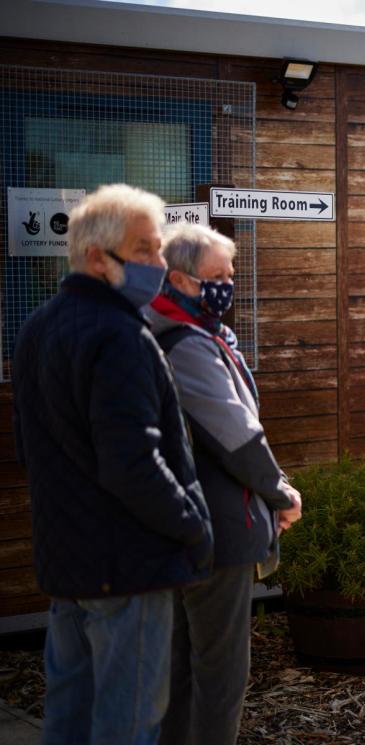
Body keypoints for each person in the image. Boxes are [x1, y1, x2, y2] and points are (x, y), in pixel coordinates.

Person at [11, 184, 212, 744]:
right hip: (129, 567)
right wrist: (194, 529)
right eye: (144, 249)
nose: (159, 263)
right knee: (127, 725)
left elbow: (30, 448)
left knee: (69, 720)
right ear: (96, 257)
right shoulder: (121, 334)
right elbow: (134, 465)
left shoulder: (37, 327)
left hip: (68, 566)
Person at [146, 223, 303, 745]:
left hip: (184, 525)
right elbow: (235, 433)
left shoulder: (192, 333)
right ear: (179, 279)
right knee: (219, 675)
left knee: (183, 670)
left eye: (230, 274)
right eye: (216, 276)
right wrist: (279, 492)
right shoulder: (184, 344)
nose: (227, 285)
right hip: (215, 528)